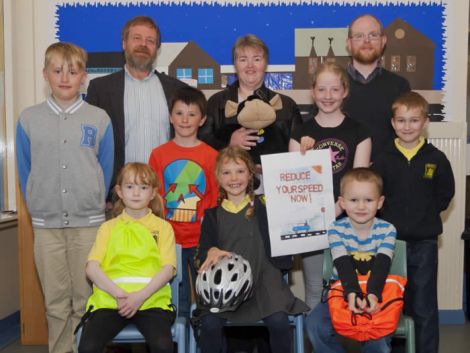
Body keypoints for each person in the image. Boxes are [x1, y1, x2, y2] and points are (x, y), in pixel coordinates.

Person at [15, 42, 114, 353]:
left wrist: (93, 201)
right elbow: (25, 169)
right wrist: (38, 207)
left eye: (72, 71)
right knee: (56, 301)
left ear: (83, 76)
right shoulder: (28, 119)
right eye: (57, 71)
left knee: (86, 300)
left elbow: (106, 168)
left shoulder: (99, 118)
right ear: (46, 74)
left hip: (89, 226)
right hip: (47, 227)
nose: (65, 77)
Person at [194, 146, 308, 353]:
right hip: (227, 287)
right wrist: (210, 251)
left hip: (265, 281)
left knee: (279, 322)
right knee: (210, 324)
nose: (234, 178)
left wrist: (304, 154)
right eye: (226, 172)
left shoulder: (267, 207)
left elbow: (299, 193)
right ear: (218, 178)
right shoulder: (212, 216)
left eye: (240, 171)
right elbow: (203, 252)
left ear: (250, 174)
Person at [372, 92, 455, 353]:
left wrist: (425, 215)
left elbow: (445, 194)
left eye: (414, 120)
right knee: (393, 303)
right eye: (401, 120)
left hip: (424, 243)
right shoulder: (383, 159)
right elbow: (375, 195)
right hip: (390, 244)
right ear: (393, 123)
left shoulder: (436, 158)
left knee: (423, 305)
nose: (407, 126)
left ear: (425, 122)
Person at [289, 62, 371, 312]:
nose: (328, 96)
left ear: (345, 91)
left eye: (334, 90)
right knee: (316, 287)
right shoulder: (300, 133)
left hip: (349, 222)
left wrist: (337, 208)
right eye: (322, 89)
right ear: (313, 92)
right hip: (314, 223)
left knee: (351, 287)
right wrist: (305, 155)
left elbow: (360, 184)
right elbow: (296, 185)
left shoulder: (359, 132)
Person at [77, 163, 176, 353]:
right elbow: (92, 268)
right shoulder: (107, 228)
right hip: (112, 302)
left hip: (151, 301)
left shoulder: (163, 228)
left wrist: (139, 297)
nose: (136, 193)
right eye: (130, 187)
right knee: (88, 347)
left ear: (153, 193)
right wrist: (119, 295)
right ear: (119, 191)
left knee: (163, 346)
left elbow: (168, 269)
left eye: (143, 187)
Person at [86, 15, 186, 191]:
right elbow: (89, 146)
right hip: (119, 194)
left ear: (156, 48)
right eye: (137, 38)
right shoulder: (100, 89)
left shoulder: (177, 90)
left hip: (167, 192)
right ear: (124, 43)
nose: (143, 45)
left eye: (150, 41)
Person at [305, 168, 397, 353]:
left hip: (376, 290)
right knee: (315, 325)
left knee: (377, 337)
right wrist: (352, 294)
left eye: (368, 200)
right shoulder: (336, 229)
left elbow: (381, 266)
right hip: (341, 290)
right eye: (354, 200)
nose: (361, 206)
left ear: (380, 202)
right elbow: (343, 263)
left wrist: (372, 295)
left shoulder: (388, 230)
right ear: (342, 202)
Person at [148, 86, 218, 319]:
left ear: (203, 119)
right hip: (170, 241)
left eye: (191, 114)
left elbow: (215, 198)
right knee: (179, 301)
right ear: (170, 117)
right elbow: (153, 197)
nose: (185, 120)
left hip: (201, 240)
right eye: (179, 113)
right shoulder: (158, 154)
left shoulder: (211, 156)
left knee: (208, 298)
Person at [200, 34, 302, 189]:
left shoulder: (286, 106)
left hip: (276, 188)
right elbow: (201, 146)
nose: (250, 66)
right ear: (235, 64)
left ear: (265, 63)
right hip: (228, 190)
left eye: (256, 59)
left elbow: (298, 155)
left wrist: (269, 167)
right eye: (243, 59)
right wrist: (229, 145)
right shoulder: (217, 103)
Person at [343, 14, 410, 161]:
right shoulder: (332, 86)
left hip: (388, 173)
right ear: (349, 43)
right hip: (342, 174)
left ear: (383, 41)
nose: (366, 41)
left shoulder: (400, 86)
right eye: (359, 36)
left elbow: (407, 134)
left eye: (373, 35)